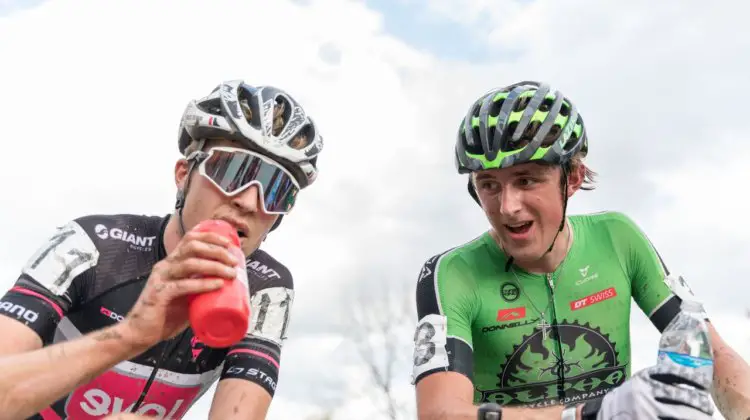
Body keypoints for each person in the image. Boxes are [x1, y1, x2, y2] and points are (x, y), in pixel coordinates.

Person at [411, 80, 750, 420]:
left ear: (572, 178)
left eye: (526, 180)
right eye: (489, 185)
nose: (507, 206)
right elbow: (440, 413)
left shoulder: (618, 237)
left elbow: (713, 354)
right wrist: (585, 415)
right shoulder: (452, 273)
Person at [0, 80, 324, 419]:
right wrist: (129, 336)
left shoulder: (266, 290)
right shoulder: (90, 245)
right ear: (184, 174)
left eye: (275, 190)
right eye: (231, 171)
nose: (246, 201)